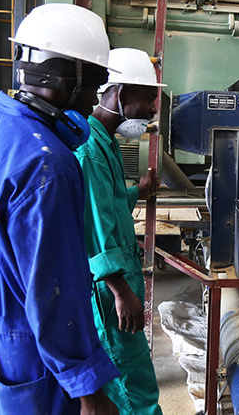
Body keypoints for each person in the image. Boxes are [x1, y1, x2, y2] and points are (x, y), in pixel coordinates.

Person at [0, 3, 121, 414]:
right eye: (95, 84)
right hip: (34, 362)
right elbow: (54, 288)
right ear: (65, 78)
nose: (94, 100)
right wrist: (88, 388)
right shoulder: (47, 163)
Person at [74, 48, 163, 415]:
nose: (153, 110)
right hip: (108, 289)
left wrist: (137, 192)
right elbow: (94, 226)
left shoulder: (105, 140)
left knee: (125, 379)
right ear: (121, 94)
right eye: (148, 99)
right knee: (132, 382)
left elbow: (107, 200)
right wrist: (121, 291)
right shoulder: (91, 148)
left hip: (120, 277)